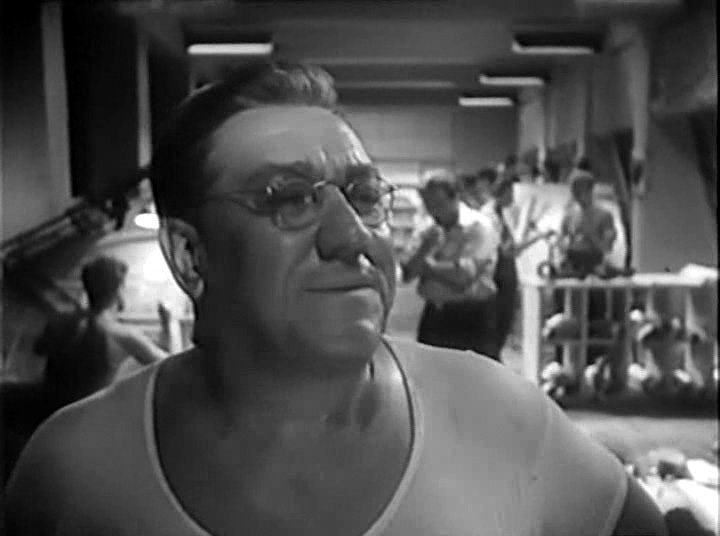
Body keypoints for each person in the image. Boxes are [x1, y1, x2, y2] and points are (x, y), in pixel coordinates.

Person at [3, 62, 668, 536]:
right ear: (191, 256)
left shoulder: (498, 416)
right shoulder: (77, 472)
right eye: (290, 200)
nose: (352, 236)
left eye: (365, 195)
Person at [33, 255, 169, 413]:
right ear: (118, 291)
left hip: (51, 415)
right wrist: (168, 324)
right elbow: (170, 365)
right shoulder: (121, 335)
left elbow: (38, 349)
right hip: (90, 418)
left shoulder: (62, 321)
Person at [401, 172, 499, 358]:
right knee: (429, 371)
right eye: (428, 205)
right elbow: (407, 273)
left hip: (470, 315)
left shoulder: (479, 227)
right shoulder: (427, 228)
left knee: (472, 373)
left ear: (455, 197)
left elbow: (463, 277)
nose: (434, 211)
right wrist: (424, 249)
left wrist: (426, 267)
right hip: (434, 315)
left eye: (439, 204)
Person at [559, 168, 617, 277]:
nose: (577, 196)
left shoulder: (604, 215)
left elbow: (607, 246)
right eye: (574, 192)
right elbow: (562, 242)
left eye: (580, 191)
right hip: (573, 267)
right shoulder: (569, 216)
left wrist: (590, 237)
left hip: (596, 266)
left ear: (590, 191)